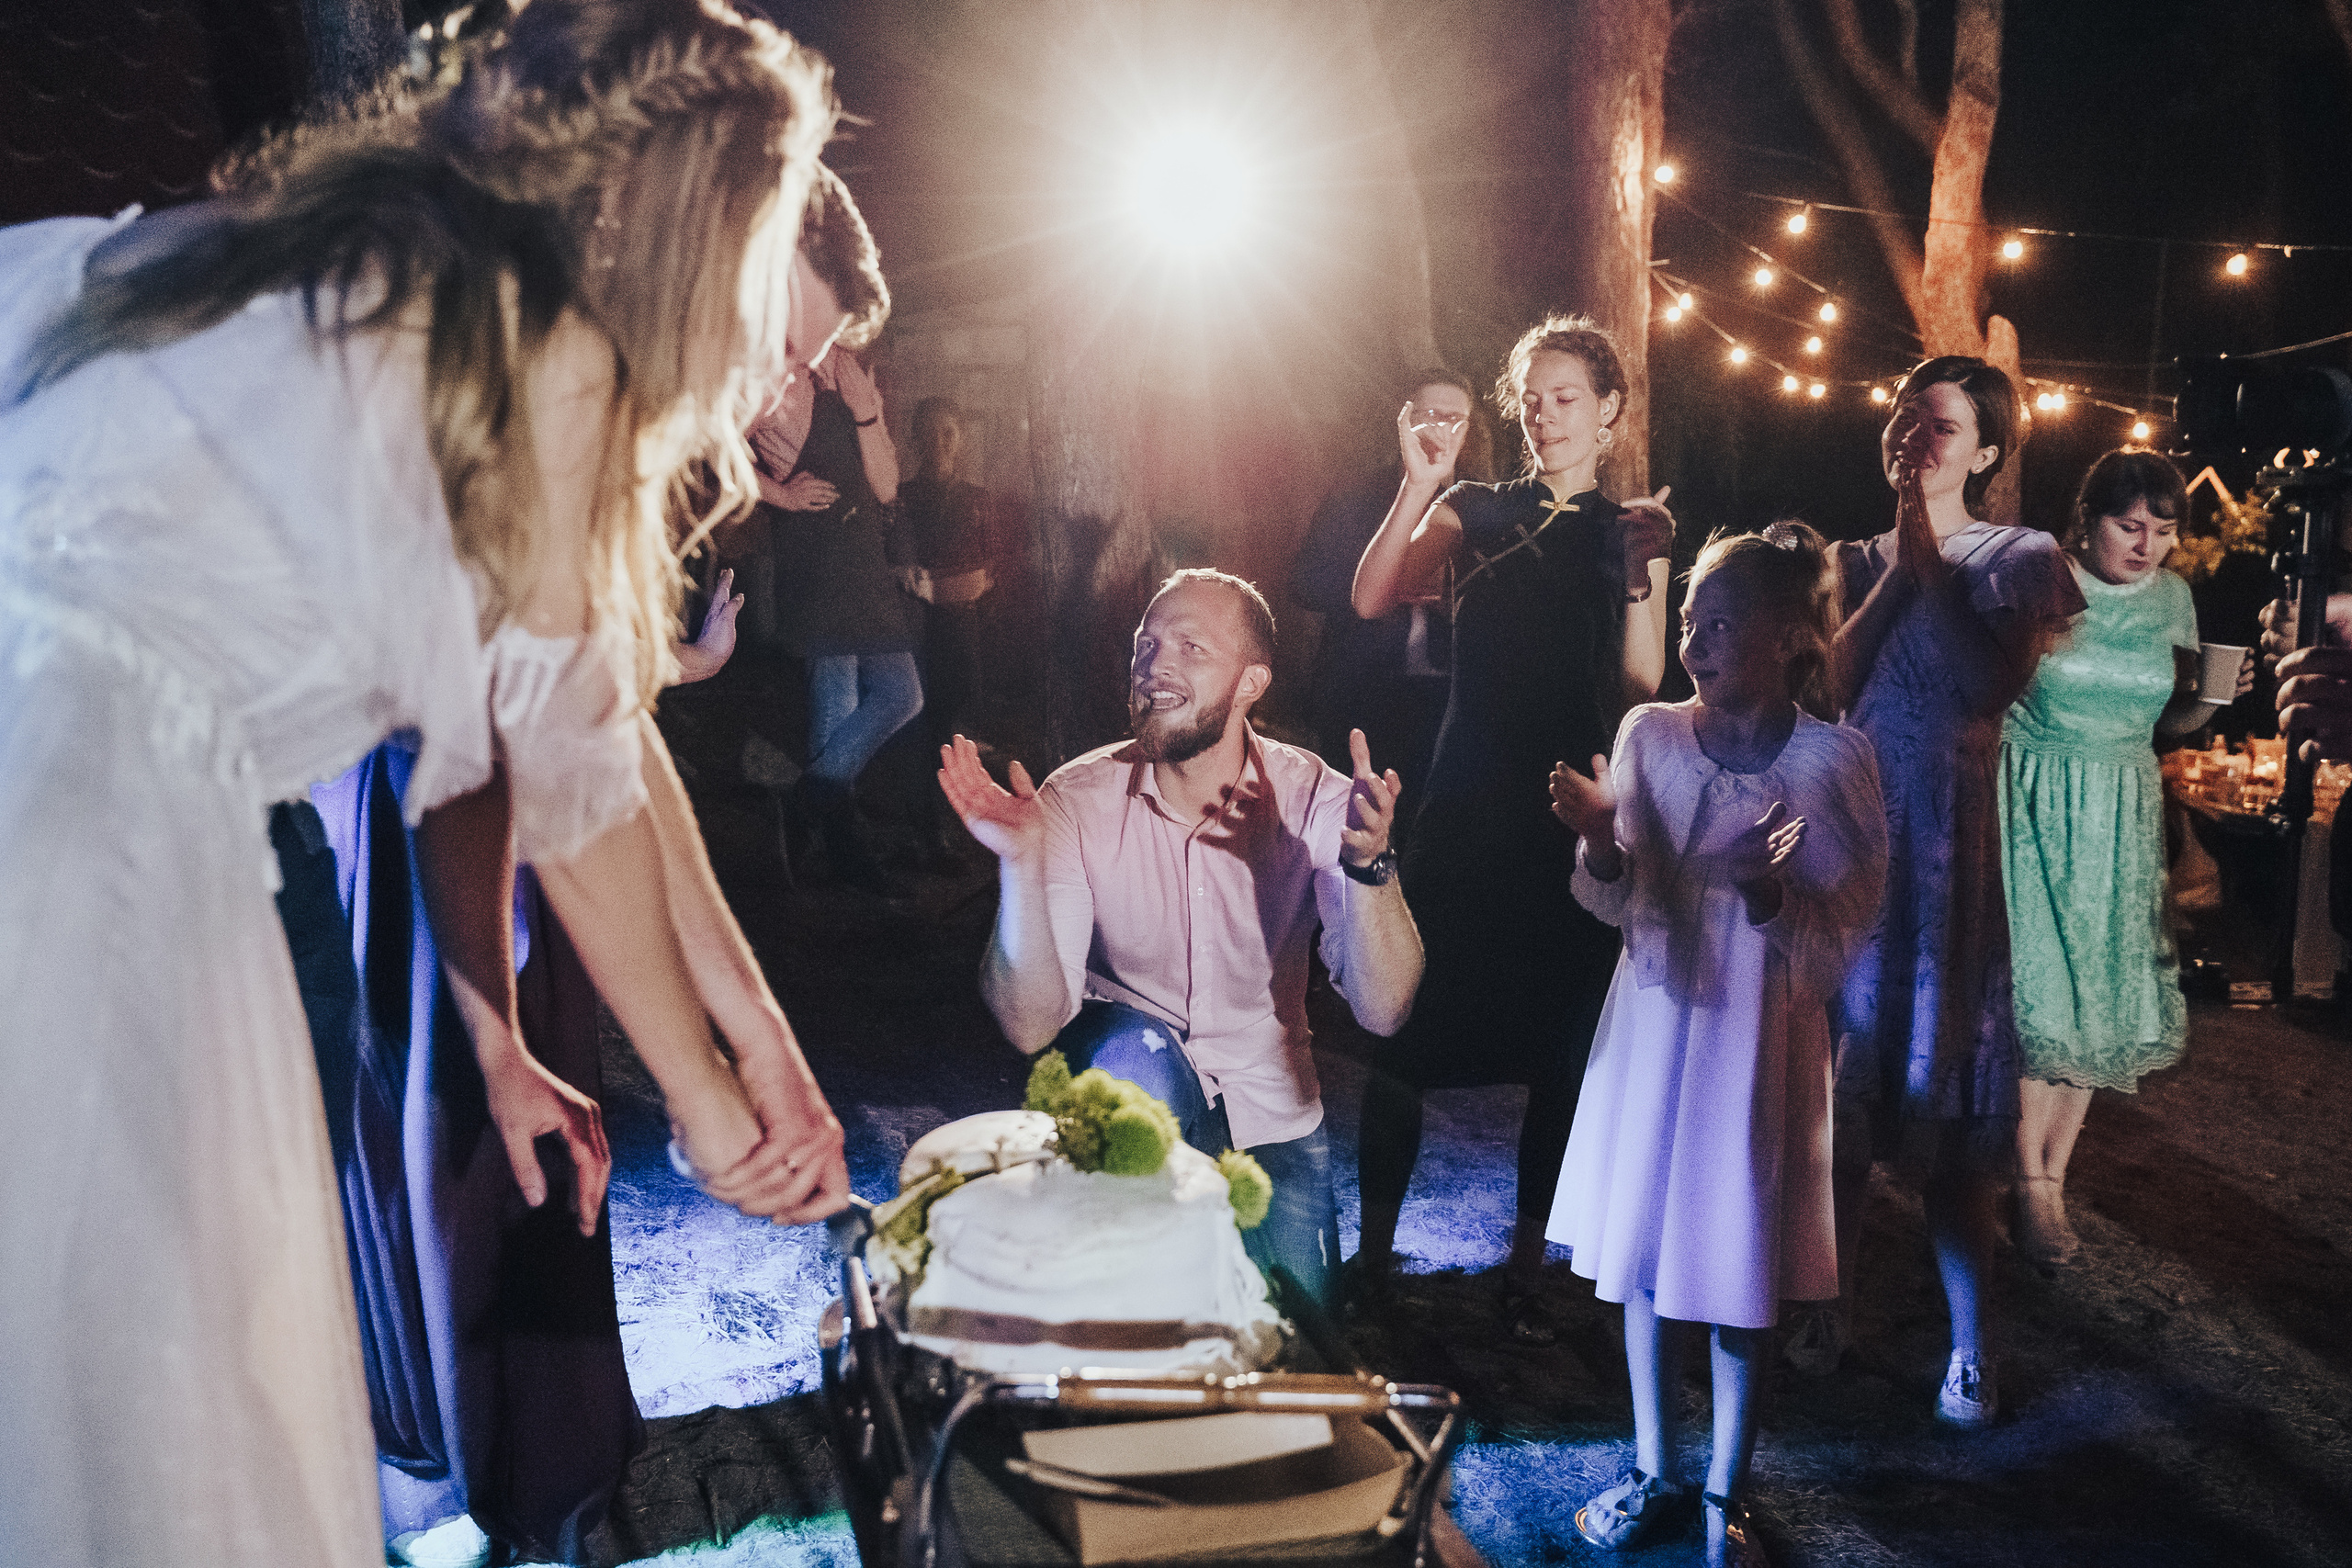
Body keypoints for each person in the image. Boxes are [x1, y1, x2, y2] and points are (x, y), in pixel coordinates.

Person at [0, 4, 852, 1563]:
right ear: (700, 217)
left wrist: (722, 1042)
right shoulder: (555, 351)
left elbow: (578, 731)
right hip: (90, 839)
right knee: (139, 1406)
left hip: (38, 759)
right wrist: (717, 1115)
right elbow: (580, 806)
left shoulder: (358, 260)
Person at [937, 569, 1426, 1307]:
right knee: (1141, 1055)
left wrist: (1371, 867)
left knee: (1300, 1353)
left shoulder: (1312, 796)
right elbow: (1030, 1021)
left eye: (1191, 647)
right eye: (1147, 645)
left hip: (1270, 1103)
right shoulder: (1073, 801)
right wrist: (1020, 866)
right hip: (1132, 1087)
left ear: (1251, 681)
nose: (1155, 665)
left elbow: (1385, 1011)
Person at [1548, 524, 1886, 1568]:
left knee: (1742, 1256)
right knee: (1647, 1255)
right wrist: (1602, 840)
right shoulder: (1650, 733)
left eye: (1721, 624)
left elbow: (1852, 920)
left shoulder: (1835, 760)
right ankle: (1655, 1467)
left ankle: (1725, 1494)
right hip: (1655, 1021)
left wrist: (1769, 894)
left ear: (1790, 638)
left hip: (1758, 1032)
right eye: (1690, 620)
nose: (1694, 642)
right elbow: (1610, 901)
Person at [1347, 315, 1676, 1340]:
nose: (1543, 414)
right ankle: (1372, 1252)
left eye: (1566, 396)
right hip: (1464, 791)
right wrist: (1416, 479)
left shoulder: (1631, 524)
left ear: (1610, 409)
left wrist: (1636, 574)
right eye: (1530, 398)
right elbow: (1370, 597)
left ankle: (1525, 1265)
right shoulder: (1475, 506)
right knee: (1403, 1023)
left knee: (1557, 1048)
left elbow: (1638, 682)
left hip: (1564, 808)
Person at [1815, 356, 2084, 1423]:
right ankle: (1824, 1304)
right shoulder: (1849, 555)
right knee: (1837, 1101)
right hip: (1855, 841)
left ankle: (1969, 1347)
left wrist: (1928, 556)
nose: (1914, 435)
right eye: (1903, 415)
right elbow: (1836, 686)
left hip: (1950, 857)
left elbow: (1986, 684)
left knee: (1954, 1115)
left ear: (1983, 450)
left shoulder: (2021, 556)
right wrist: (1896, 559)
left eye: (1940, 425)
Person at [2001, 450, 2251, 1268]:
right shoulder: (2048, 576)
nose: (2147, 545)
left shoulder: (2173, 598)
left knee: (2099, 998)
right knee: (2041, 995)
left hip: (2120, 807)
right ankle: (2025, 1179)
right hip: (2033, 795)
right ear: (2091, 518)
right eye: (2130, 524)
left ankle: (2050, 1177)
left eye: (2164, 529)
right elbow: (1994, 683)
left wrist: (2213, 698)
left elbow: (2165, 720)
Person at [740, 169, 918, 892]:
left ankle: (808, 811)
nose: (828, 344)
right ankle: (835, 850)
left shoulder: (845, 373)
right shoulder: (770, 380)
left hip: (861, 557)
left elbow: (886, 486)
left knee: (898, 694)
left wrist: (868, 411)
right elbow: (713, 447)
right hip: (815, 556)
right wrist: (778, 494)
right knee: (844, 705)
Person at [1288, 368, 1490, 816]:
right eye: (1429, 414)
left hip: (1451, 704)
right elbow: (1307, 583)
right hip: (1367, 696)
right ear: (1404, 420)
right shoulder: (1357, 498)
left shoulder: (1486, 506)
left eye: (1455, 418)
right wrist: (1389, 582)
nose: (1440, 427)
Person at [900, 395, 998, 863]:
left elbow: (989, 568)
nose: (939, 442)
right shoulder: (903, 498)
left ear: (959, 440)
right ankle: (928, 829)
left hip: (965, 628)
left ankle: (961, 820)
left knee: (962, 722)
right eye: (930, 432)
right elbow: (904, 571)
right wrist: (935, 589)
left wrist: (953, 589)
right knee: (929, 726)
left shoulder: (976, 499)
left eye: (949, 432)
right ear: (916, 439)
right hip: (920, 630)